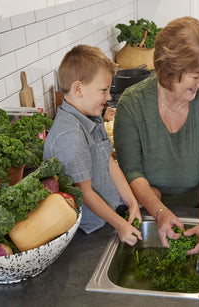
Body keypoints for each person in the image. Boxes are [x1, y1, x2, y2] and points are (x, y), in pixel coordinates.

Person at [113, 17, 199, 254]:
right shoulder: (131, 105)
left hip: (198, 210)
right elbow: (132, 171)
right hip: (146, 207)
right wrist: (159, 212)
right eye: (195, 76)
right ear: (168, 71)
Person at [43, 45, 142, 246]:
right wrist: (120, 225)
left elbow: (109, 163)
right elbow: (85, 194)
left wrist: (132, 203)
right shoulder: (70, 135)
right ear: (78, 89)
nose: (108, 97)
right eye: (104, 90)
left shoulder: (91, 118)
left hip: (107, 219)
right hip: (88, 233)